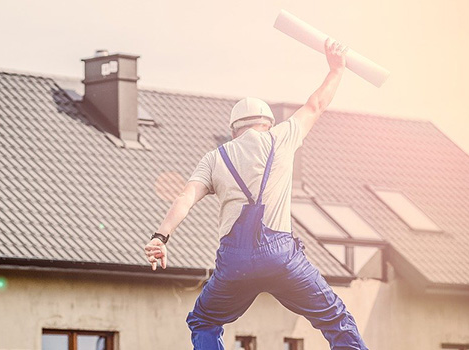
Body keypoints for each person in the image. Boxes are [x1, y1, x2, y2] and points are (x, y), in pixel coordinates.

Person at [143, 38, 369, 350]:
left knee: (204, 321)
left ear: (233, 129)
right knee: (334, 317)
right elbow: (316, 104)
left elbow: (185, 196)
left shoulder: (215, 157)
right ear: (267, 123)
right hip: (281, 258)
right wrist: (336, 69)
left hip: (234, 264)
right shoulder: (282, 137)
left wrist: (161, 236)